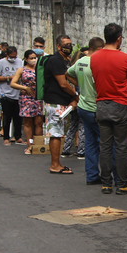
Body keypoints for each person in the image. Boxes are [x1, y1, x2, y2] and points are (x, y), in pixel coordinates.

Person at [90, 23, 127, 194]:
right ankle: (123, 183)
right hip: (121, 105)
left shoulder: (94, 57)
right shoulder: (124, 58)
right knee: (121, 146)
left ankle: (106, 183)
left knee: (104, 145)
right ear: (119, 39)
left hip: (102, 105)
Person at [67, 37, 105, 184]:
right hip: (95, 107)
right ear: (100, 49)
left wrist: (81, 87)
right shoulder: (96, 63)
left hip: (83, 107)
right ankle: (109, 176)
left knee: (90, 143)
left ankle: (92, 175)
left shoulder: (80, 62)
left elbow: (68, 74)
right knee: (107, 143)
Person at [43, 35, 79, 174]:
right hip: (55, 102)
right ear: (58, 46)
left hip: (61, 102)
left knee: (59, 132)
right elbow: (63, 84)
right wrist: (75, 95)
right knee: (56, 133)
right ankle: (55, 164)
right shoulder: (56, 61)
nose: (68, 47)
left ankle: (56, 163)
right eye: (65, 45)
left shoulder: (65, 61)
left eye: (70, 44)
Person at [11, 50, 43, 154]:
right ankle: (30, 145)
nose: (34, 60)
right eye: (31, 58)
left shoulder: (40, 69)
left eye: (35, 58)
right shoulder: (22, 70)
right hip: (26, 98)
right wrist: (24, 87)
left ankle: (38, 145)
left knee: (38, 122)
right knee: (28, 122)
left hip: (38, 97)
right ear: (26, 59)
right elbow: (13, 83)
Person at [0, 46, 23, 146]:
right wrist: (7, 78)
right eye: (11, 56)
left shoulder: (20, 62)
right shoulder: (1, 62)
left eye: (14, 56)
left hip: (18, 93)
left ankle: (18, 136)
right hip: (5, 93)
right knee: (7, 117)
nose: (13, 59)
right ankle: (6, 137)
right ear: (6, 54)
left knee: (18, 117)